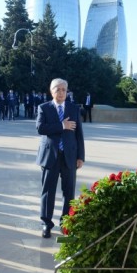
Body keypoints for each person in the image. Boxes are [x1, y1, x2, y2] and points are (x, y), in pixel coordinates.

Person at [36, 78, 85, 239]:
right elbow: (41, 128)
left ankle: (66, 223)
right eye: (58, 89)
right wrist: (61, 125)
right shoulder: (44, 108)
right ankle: (46, 224)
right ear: (52, 92)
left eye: (64, 89)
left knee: (69, 192)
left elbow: (79, 135)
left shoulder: (73, 108)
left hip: (69, 157)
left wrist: (81, 156)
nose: (62, 92)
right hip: (50, 157)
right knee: (48, 192)